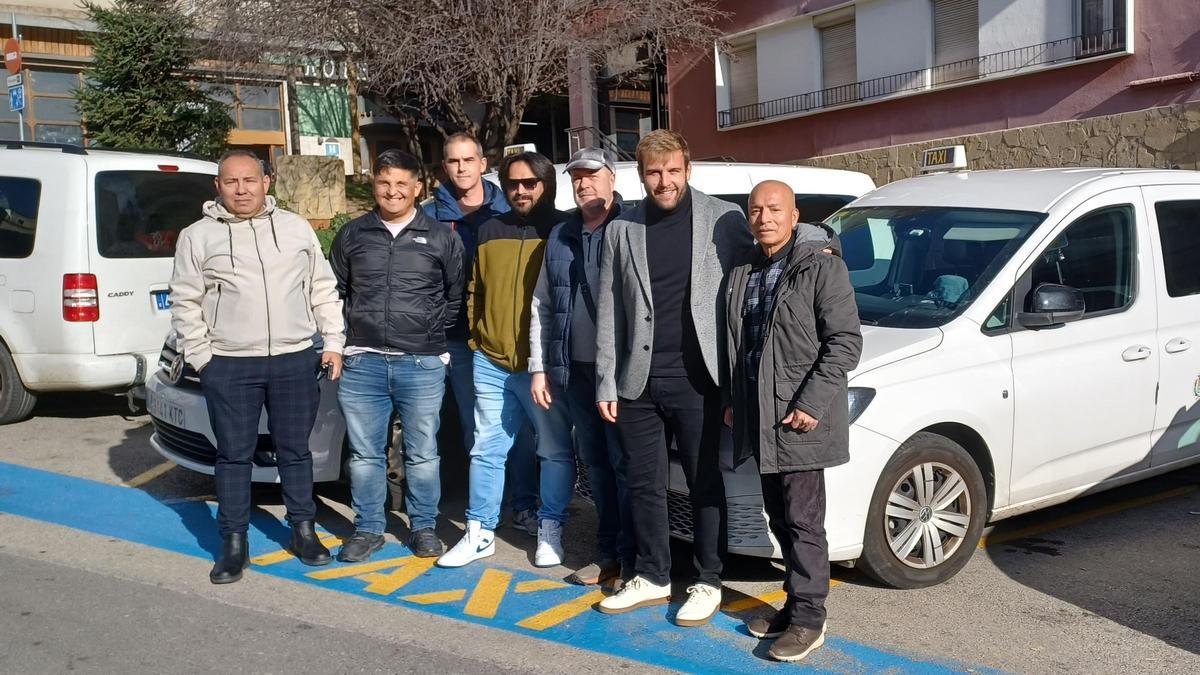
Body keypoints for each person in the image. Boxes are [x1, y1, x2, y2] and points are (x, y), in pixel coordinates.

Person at [594, 130, 753, 626]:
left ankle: (707, 580)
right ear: (641, 177)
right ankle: (653, 575)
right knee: (645, 484)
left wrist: (823, 244)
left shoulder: (723, 218)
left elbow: (778, 239)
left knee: (705, 483)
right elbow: (609, 312)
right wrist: (606, 380)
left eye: (672, 171)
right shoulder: (622, 229)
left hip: (699, 379)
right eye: (653, 173)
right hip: (637, 382)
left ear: (688, 169)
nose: (664, 182)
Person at [170, 149, 345, 584]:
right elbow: (185, 301)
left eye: (250, 180)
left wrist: (334, 342)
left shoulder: (294, 227)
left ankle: (303, 530)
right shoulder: (197, 236)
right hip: (229, 364)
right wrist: (203, 360)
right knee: (233, 456)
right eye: (231, 182)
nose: (241, 189)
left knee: (294, 451)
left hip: (294, 358)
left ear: (267, 182)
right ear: (218, 187)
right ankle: (233, 542)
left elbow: (322, 287)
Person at [724, 180, 862, 662]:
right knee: (780, 518)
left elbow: (844, 342)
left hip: (798, 417)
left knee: (804, 521)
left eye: (774, 209)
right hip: (760, 416)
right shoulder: (748, 269)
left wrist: (811, 402)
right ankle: (793, 604)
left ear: (794, 214)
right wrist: (734, 398)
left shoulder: (822, 266)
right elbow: (741, 347)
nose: (765, 217)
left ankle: (809, 619)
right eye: (757, 209)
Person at [438, 152, 572, 568]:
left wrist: (549, 359)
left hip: (541, 367)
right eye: (513, 183)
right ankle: (479, 531)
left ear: (546, 184)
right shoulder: (490, 227)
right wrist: (478, 337)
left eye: (530, 183)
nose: (520, 190)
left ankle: (550, 525)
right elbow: (475, 286)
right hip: (491, 360)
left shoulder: (563, 230)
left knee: (552, 450)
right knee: (487, 447)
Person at [330, 150, 464, 562]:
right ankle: (368, 528)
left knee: (422, 453)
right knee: (365, 454)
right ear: (375, 184)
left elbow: (454, 296)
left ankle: (423, 526)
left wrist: (431, 341)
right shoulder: (353, 234)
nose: (393, 191)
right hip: (363, 362)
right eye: (385, 183)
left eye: (402, 184)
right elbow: (335, 291)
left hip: (420, 362)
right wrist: (342, 343)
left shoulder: (441, 236)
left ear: (417, 188)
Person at [424, 133, 539, 535]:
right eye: (453, 161)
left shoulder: (509, 204)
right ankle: (485, 512)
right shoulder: (430, 214)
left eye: (468, 159)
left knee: (520, 429)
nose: (461, 168)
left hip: (509, 338)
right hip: (457, 337)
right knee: (480, 430)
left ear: (482, 163)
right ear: (444, 166)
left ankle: (523, 504)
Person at [529, 148, 634, 583]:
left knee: (628, 466)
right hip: (576, 373)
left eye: (592, 175)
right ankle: (608, 554)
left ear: (612, 178)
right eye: (577, 178)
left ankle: (637, 559)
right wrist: (540, 366)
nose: (584, 183)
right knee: (597, 467)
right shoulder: (561, 234)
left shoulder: (634, 226)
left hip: (626, 374)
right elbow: (542, 303)